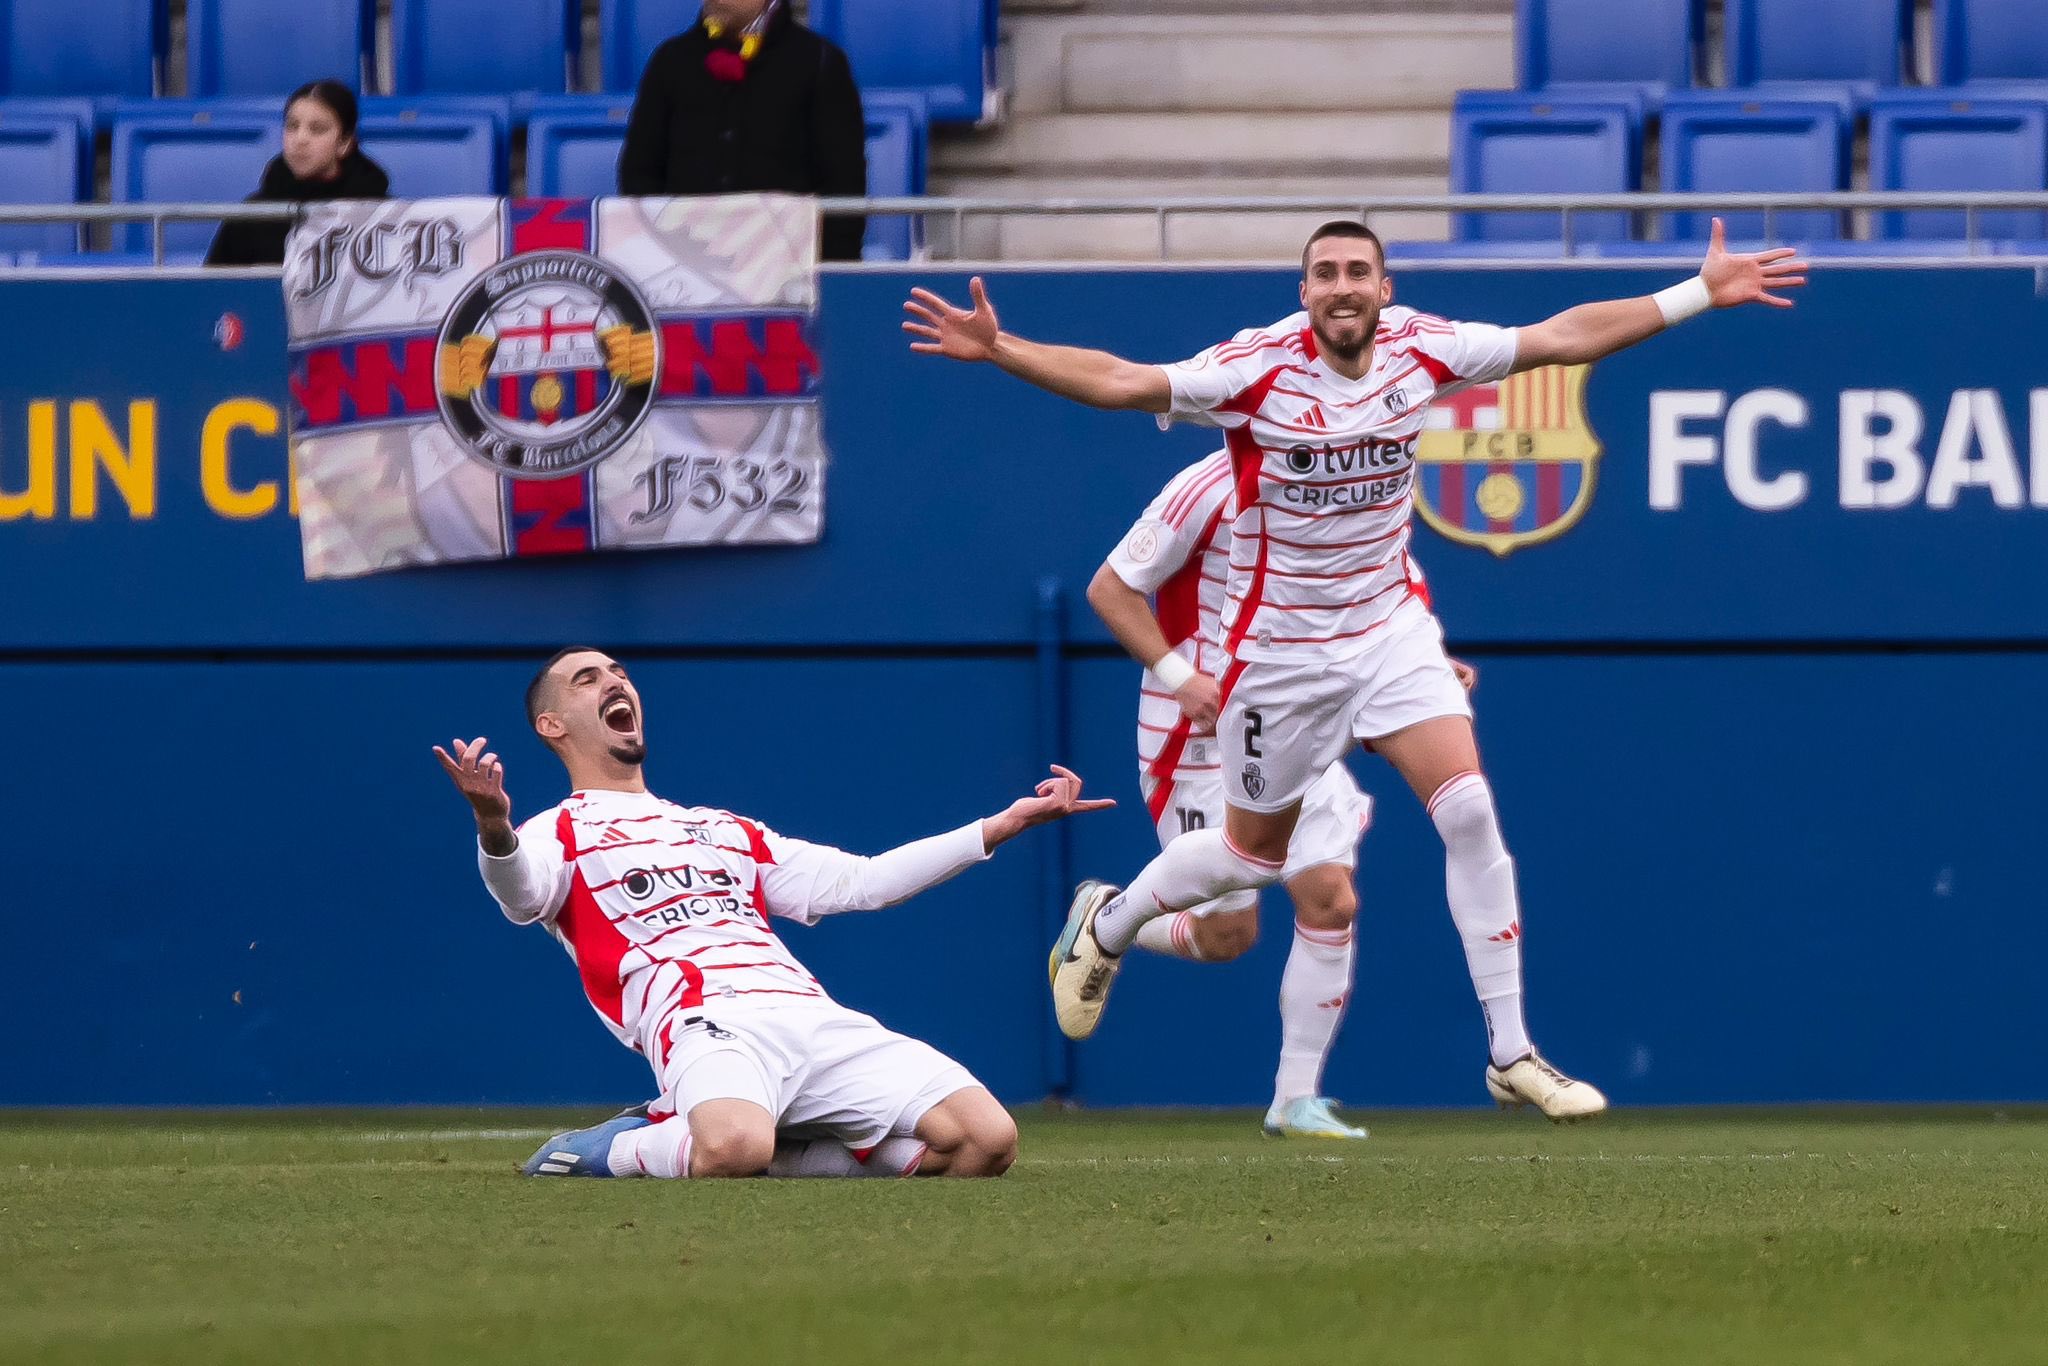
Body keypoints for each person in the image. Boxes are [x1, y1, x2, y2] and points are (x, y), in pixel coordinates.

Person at [906, 218, 1808, 1120]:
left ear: (1384, 287)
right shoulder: (1255, 369)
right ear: (1304, 293)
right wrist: (1002, 350)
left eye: (1358, 272)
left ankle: (1510, 1050)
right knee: (1247, 864)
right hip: (1280, 661)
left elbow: (1561, 338)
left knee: (1468, 809)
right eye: (1324, 273)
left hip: (1388, 633)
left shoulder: (1424, 348)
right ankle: (1110, 922)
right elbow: (1119, 380)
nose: (1342, 286)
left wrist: (1697, 292)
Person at [435, 647, 1112, 1179]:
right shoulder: (558, 830)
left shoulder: (723, 828)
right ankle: (615, 1148)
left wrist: (996, 827)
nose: (615, 683)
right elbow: (523, 898)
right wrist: (495, 827)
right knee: (732, 1151)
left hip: (811, 1016)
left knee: (985, 1144)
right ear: (551, 724)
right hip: (706, 1021)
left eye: (618, 672)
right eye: (586, 679)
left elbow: (865, 881)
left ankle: (757, 1134)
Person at [1089, 452, 1475, 1138]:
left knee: (1332, 899)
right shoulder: (1204, 487)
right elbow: (1110, 589)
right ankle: (1107, 920)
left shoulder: (1344, 485)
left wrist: (1420, 666)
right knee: (1227, 935)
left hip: (1295, 719)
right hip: (1198, 738)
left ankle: (1294, 1100)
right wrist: (1181, 677)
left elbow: (1371, 602)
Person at [617, 0, 868, 262]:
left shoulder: (820, 61)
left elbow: (844, 184)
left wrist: (828, 277)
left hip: (787, 270)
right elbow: (639, 173)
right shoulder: (670, 60)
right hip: (684, 266)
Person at [204, 80, 389, 268]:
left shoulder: (383, 215)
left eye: (317, 129)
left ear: (344, 143)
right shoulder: (252, 217)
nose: (300, 139)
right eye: (292, 126)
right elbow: (213, 291)